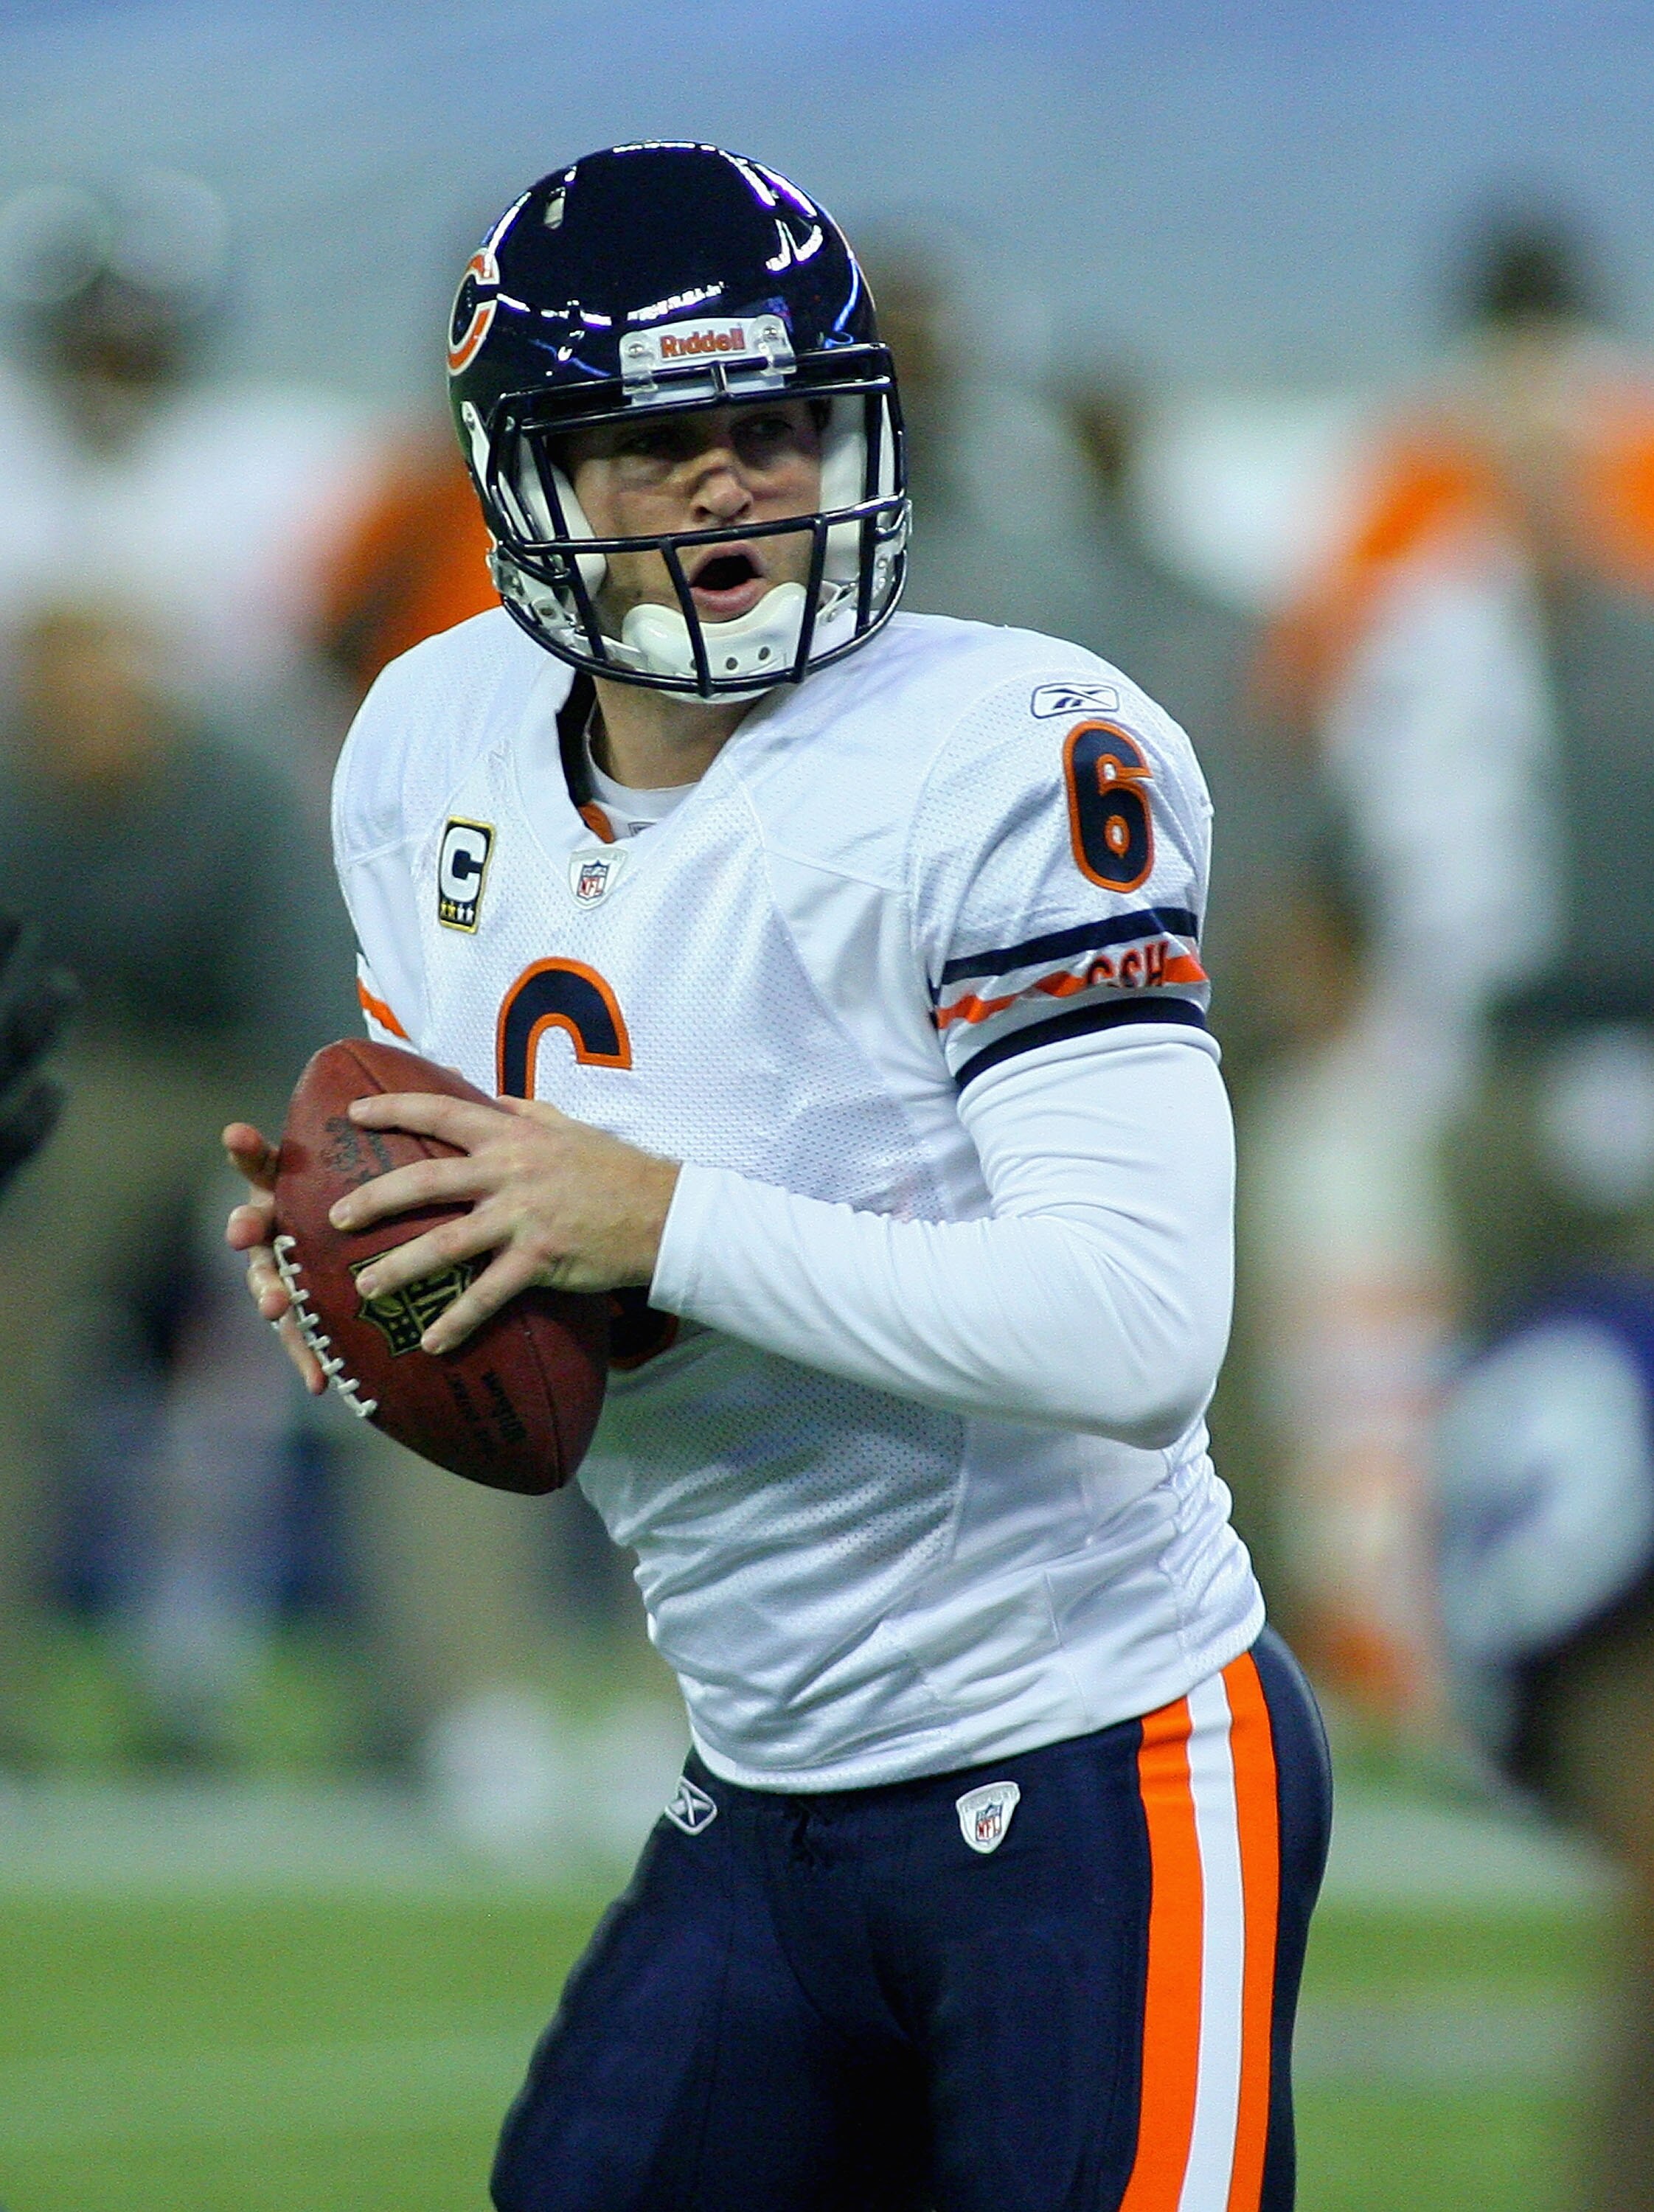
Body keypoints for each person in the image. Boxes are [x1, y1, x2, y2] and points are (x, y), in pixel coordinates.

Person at [228, 142, 1331, 2211]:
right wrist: (391, 1260)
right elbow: (517, 1204)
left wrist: (643, 1217)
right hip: (763, 1773)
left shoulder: (1010, 751)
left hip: (1096, 1762)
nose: (733, 483)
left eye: (774, 425)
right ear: (525, 472)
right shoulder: (425, 736)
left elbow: (1137, 1329)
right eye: (660, 444)